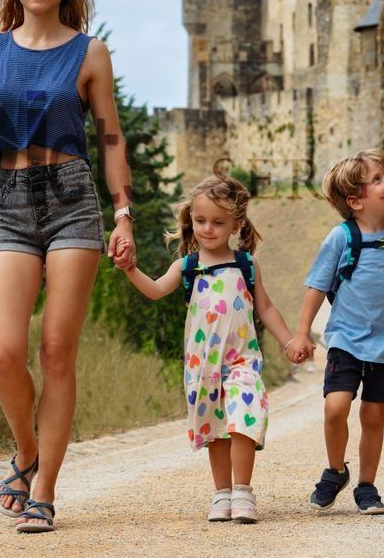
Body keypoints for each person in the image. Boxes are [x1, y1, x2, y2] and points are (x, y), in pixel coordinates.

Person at [0, 0, 137, 533]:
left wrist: (123, 213)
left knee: (57, 351)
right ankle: (27, 454)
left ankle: (46, 490)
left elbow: (110, 137)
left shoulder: (91, 52)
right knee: (5, 352)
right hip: (8, 202)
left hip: (72, 201)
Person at [117, 175, 300, 523]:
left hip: (243, 361)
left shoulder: (246, 264)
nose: (208, 229)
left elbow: (266, 308)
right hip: (203, 367)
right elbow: (155, 290)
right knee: (215, 431)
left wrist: (288, 342)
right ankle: (222, 493)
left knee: (244, 420)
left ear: (236, 224)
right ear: (191, 221)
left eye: (218, 222)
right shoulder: (187, 266)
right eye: (200, 221)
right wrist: (130, 269)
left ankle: (243, 491)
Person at [287, 149, 384, 515]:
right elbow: (315, 287)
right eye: (376, 180)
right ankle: (336, 469)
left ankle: (367, 486)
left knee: (374, 417)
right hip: (345, 340)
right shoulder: (341, 238)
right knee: (334, 407)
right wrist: (302, 334)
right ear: (355, 201)